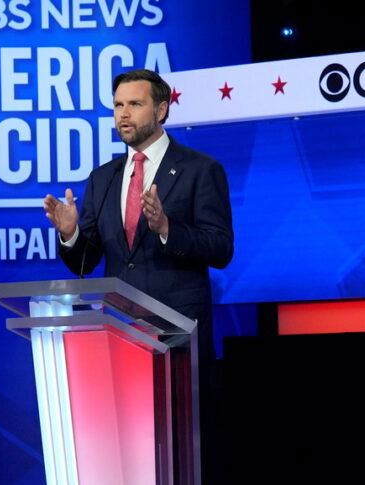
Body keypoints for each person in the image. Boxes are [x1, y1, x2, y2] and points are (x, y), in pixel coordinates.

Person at [43, 68, 234, 482]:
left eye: (134, 104)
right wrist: (72, 233)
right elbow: (84, 265)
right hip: (120, 341)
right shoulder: (104, 178)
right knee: (130, 462)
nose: (123, 114)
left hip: (178, 343)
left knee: (182, 462)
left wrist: (167, 228)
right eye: (117, 105)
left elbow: (221, 249)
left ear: (161, 109)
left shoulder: (201, 169)